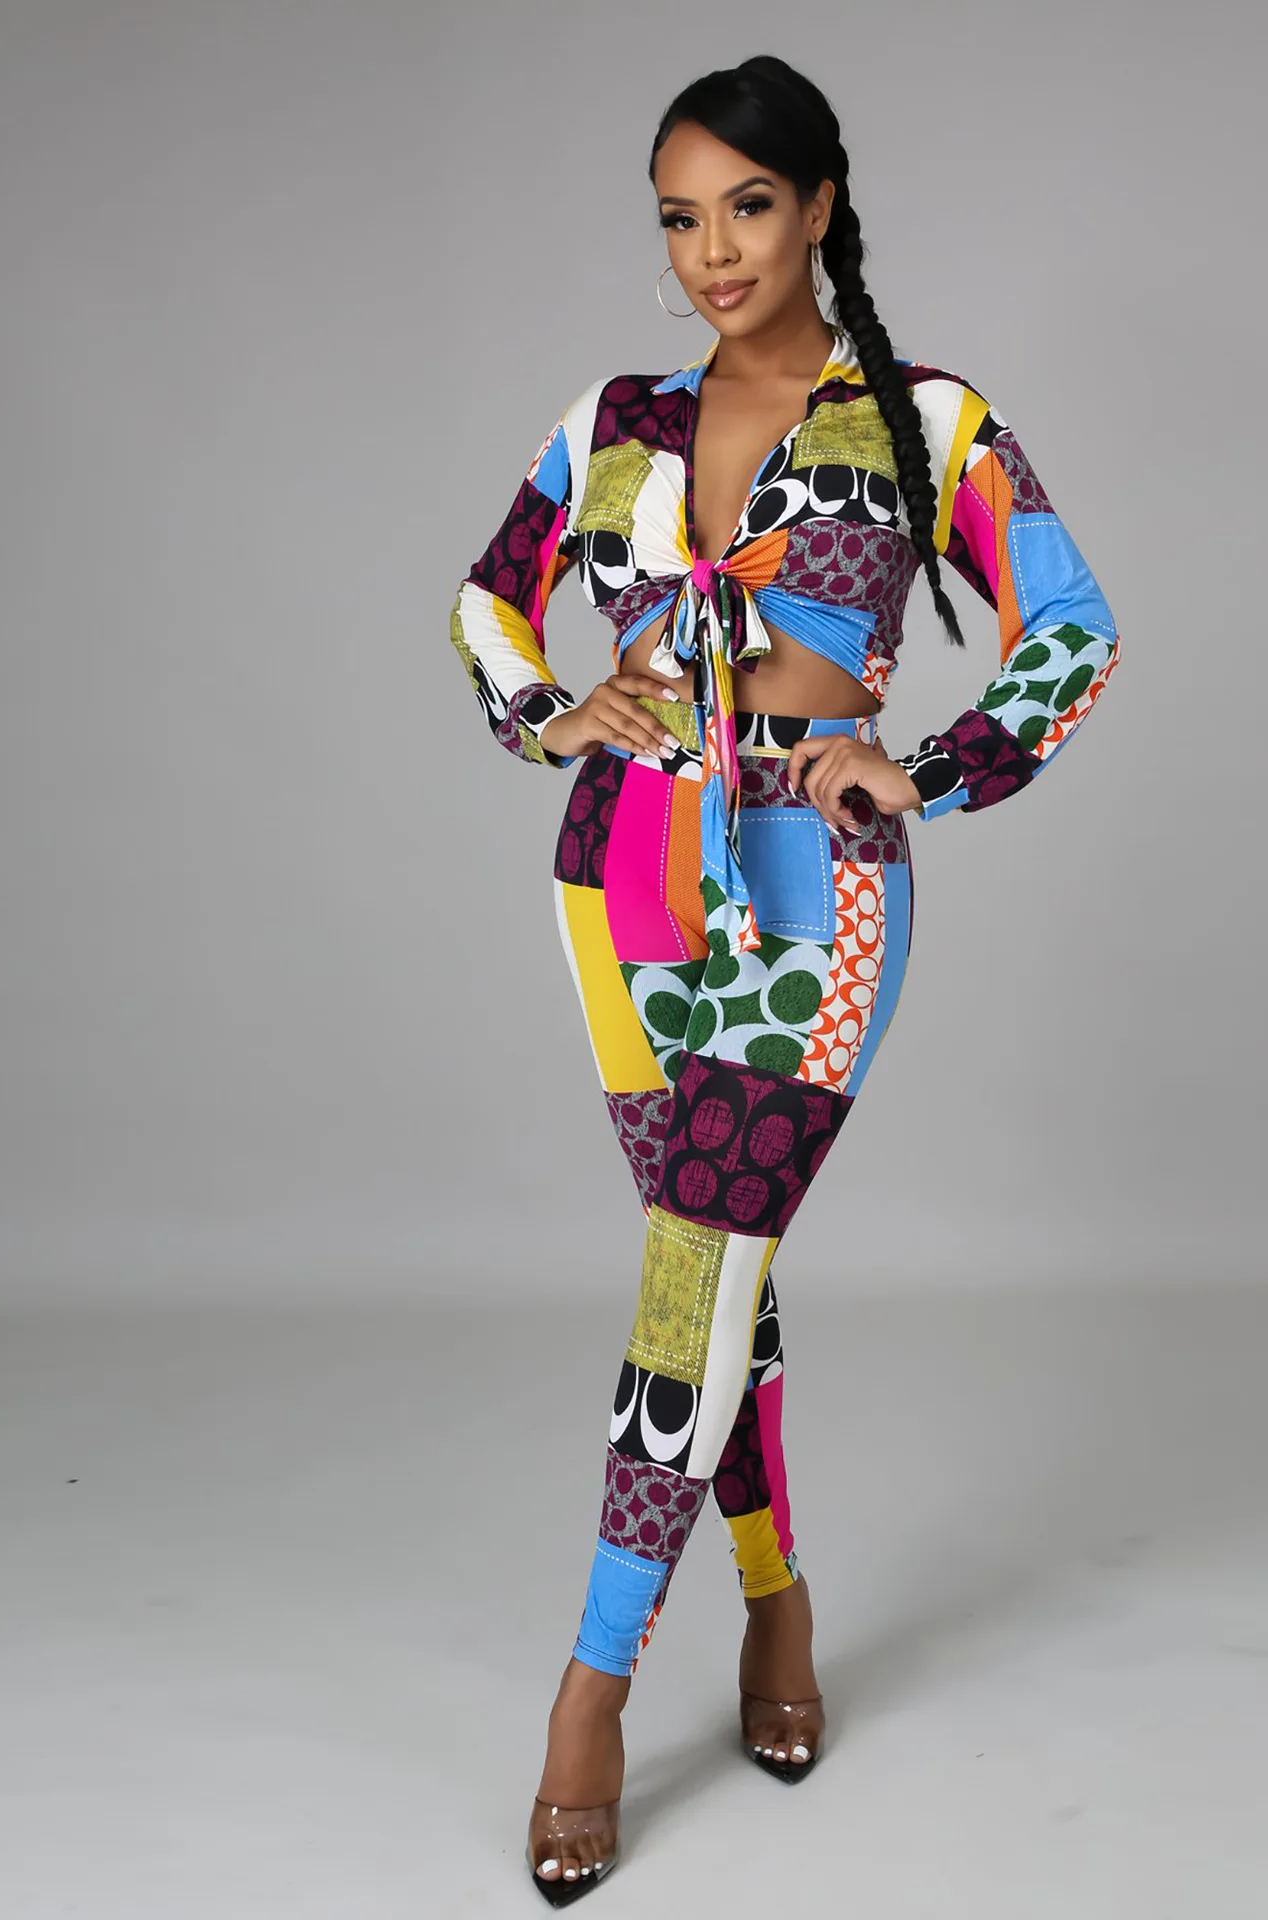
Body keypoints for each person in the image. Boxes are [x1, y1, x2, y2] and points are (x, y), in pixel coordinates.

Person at [444, 53, 1122, 1906]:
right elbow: (488, 598)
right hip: (618, 873)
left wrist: (930, 767)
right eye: (680, 217)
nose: (713, 251)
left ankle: (590, 1694)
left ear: (820, 206)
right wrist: (547, 709)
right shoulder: (613, 419)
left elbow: (1070, 624)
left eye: (748, 206)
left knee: (693, 1269)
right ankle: (776, 1599)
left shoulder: (926, 418)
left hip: (816, 891)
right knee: (717, 1278)